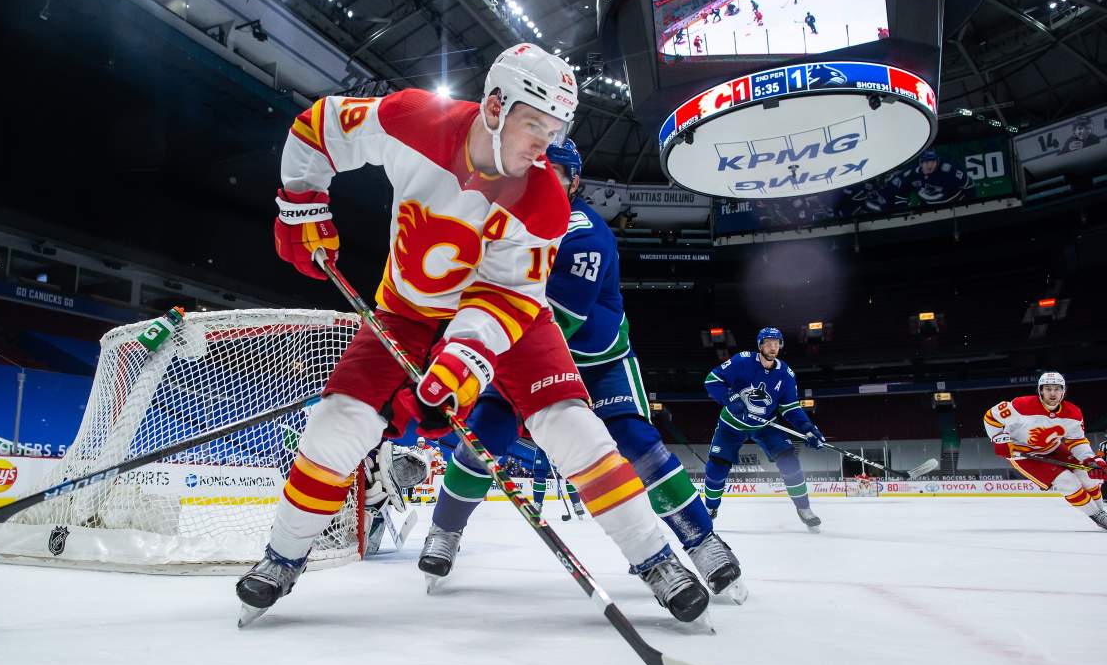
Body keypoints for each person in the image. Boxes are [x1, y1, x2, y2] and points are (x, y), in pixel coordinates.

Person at [237, 43, 708, 625]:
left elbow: (506, 298)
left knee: (574, 430)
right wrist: (301, 201)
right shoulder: (415, 120)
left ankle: (656, 558)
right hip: (406, 312)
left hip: (510, 317)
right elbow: (320, 125)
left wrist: (461, 365)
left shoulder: (544, 202)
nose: (546, 144)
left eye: (556, 128)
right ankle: (283, 556)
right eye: (535, 124)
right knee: (339, 423)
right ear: (494, 106)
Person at [421, 140, 743, 599]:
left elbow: (562, 321)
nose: (543, 178)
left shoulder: (584, 233)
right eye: (536, 169)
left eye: (555, 172)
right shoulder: (500, 221)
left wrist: (471, 354)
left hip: (596, 362)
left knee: (636, 443)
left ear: (573, 182)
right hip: (518, 357)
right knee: (482, 439)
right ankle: (445, 532)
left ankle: (702, 541)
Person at [702, 328, 826, 531]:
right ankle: (710, 509)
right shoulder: (742, 361)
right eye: (768, 343)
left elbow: (791, 408)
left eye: (777, 343)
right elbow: (712, 381)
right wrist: (731, 399)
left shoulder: (785, 374)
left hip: (765, 425)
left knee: (790, 462)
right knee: (716, 467)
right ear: (760, 345)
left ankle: (804, 509)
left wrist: (808, 428)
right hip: (732, 424)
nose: (773, 347)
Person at [984, 372, 1107, 531]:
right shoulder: (1020, 406)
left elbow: (1076, 441)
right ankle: (1097, 516)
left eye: (1057, 389)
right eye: (1048, 389)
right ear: (1040, 390)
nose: (1053, 393)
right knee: (1067, 482)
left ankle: (1101, 514)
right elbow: (991, 417)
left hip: (1053, 448)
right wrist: (998, 439)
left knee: (1089, 476)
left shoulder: (1073, 413)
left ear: (1063, 391)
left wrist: (1090, 459)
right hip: (1024, 455)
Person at [879, 148, 973, 208]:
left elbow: (968, 185)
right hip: (931, 210)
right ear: (920, 163)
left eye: (933, 161)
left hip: (955, 206)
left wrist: (968, 206)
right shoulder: (911, 175)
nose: (930, 165)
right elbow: (900, 196)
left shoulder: (948, 170)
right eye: (926, 162)